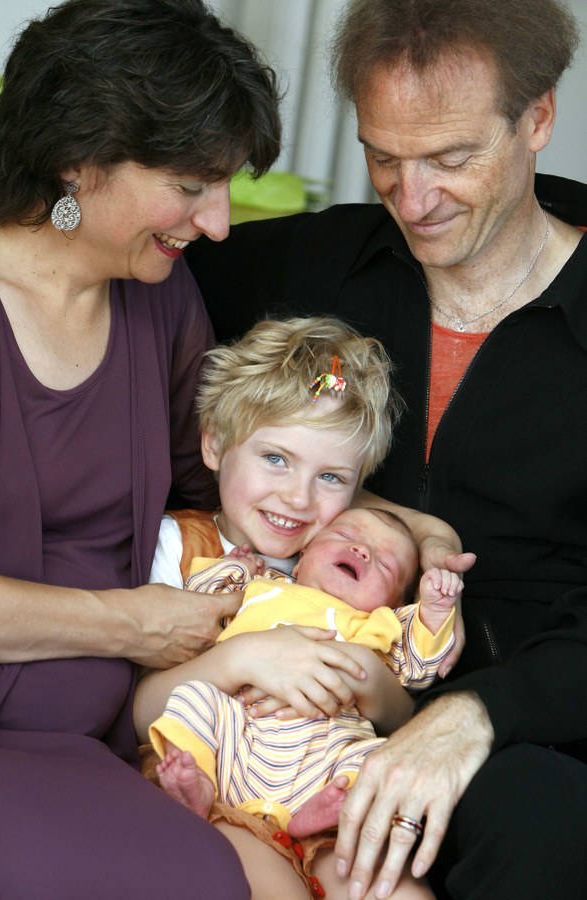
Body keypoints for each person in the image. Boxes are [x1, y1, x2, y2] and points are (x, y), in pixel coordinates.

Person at [185, 1, 587, 897]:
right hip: (298, 715)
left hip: (531, 729)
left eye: (449, 158)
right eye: (383, 157)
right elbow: (126, 257)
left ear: (536, 119)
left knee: (547, 819)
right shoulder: (312, 264)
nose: (412, 199)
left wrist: (476, 714)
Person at [0, 0, 285, 895]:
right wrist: (128, 623)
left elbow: (219, 471)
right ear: (77, 158)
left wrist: (386, 516)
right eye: (191, 184)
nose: (219, 222)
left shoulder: (159, 295)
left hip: (124, 730)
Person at [135, 315, 473, 899]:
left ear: (358, 487)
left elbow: (400, 719)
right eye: (275, 458)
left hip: (327, 789)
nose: (297, 497)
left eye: (331, 477)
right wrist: (245, 658)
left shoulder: (352, 566)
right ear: (213, 444)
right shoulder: (177, 548)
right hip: (221, 786)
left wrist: (362, 672)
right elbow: (138, 710)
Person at [149, 507, 461, 846]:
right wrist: (234, 566)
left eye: (385, 564)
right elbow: (203, 601)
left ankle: (328, 810)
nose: (362, 551)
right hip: (238, 732)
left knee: (381, 757)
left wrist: (435, 611)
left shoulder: (381, 624)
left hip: (326, 753)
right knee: (193, 698)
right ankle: (198, 780)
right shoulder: (260, 588)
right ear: (300, 561)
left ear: (395, 604)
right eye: (345, 536)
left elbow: (420, 666)